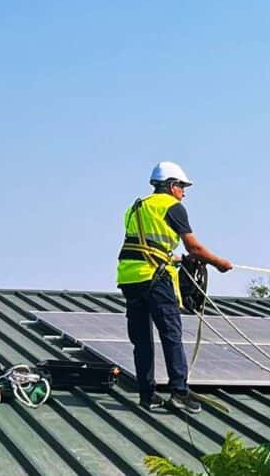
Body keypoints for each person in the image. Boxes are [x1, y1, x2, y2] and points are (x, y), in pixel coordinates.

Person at [117, 161, 233, 413]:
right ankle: (179, 392)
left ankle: (147, 395)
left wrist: (179, 259)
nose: (184, 192)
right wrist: (218, 263)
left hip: (130, 278)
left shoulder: (136, 207)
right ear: (171, 186)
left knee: (142, 340)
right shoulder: (173, 207)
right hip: (156, 278)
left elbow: (145, 246)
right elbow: (194, 247)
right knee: (171, 334)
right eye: (182, 186)